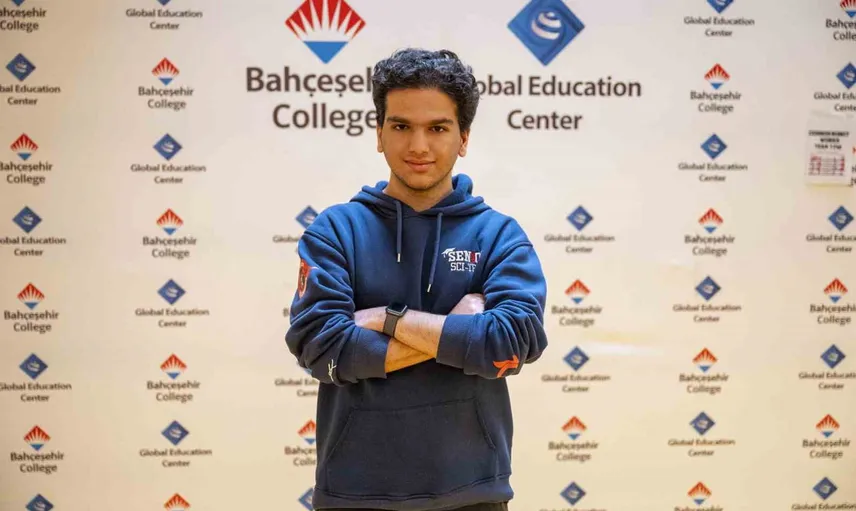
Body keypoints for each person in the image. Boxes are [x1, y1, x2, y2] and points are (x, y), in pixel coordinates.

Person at [285, 48, 548, 511]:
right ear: (379, 134)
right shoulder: (335, 231)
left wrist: (386, 320)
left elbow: (511, 343)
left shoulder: (498, 235)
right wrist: (458, 329)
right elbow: (320, 348)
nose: (419, 146)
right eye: (401, 126)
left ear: (464, 138)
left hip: (473, 493)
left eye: (438, 128)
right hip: (353, 494)